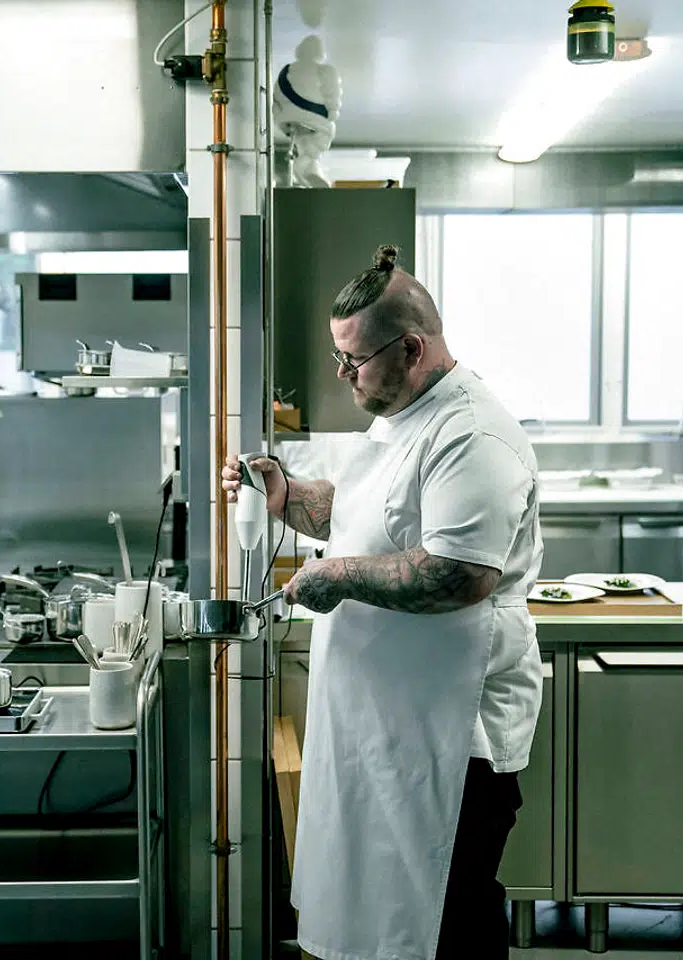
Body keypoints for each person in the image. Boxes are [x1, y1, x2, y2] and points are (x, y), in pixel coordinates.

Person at [222, 245, 542, 960]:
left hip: (451, 736)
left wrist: (333, 578)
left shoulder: (472, 434)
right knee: (389, 916)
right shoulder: (404, 411)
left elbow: (460, 573)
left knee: (447, 917)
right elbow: (372, 513)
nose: (343, 375)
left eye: (354, 361)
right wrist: (287, 497)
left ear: (412, 347)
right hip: (392, 721)